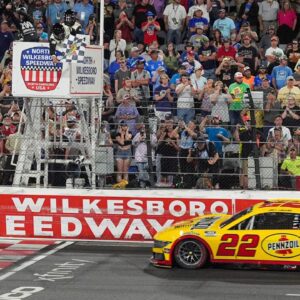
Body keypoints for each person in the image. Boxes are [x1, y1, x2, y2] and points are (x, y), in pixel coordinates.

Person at [114, 120, 132, 185]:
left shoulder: (130, 133)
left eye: (126, 125)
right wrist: (121, 133)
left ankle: (125, 185)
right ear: (120, 126)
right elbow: (122, 142)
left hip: (128, 152)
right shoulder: (117, 134)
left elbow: (127, 139)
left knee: (125, 171)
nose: (124, 127)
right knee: (120, 171)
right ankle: (120, 185)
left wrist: (126, 131)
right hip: (120, 152)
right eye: (123, 126)